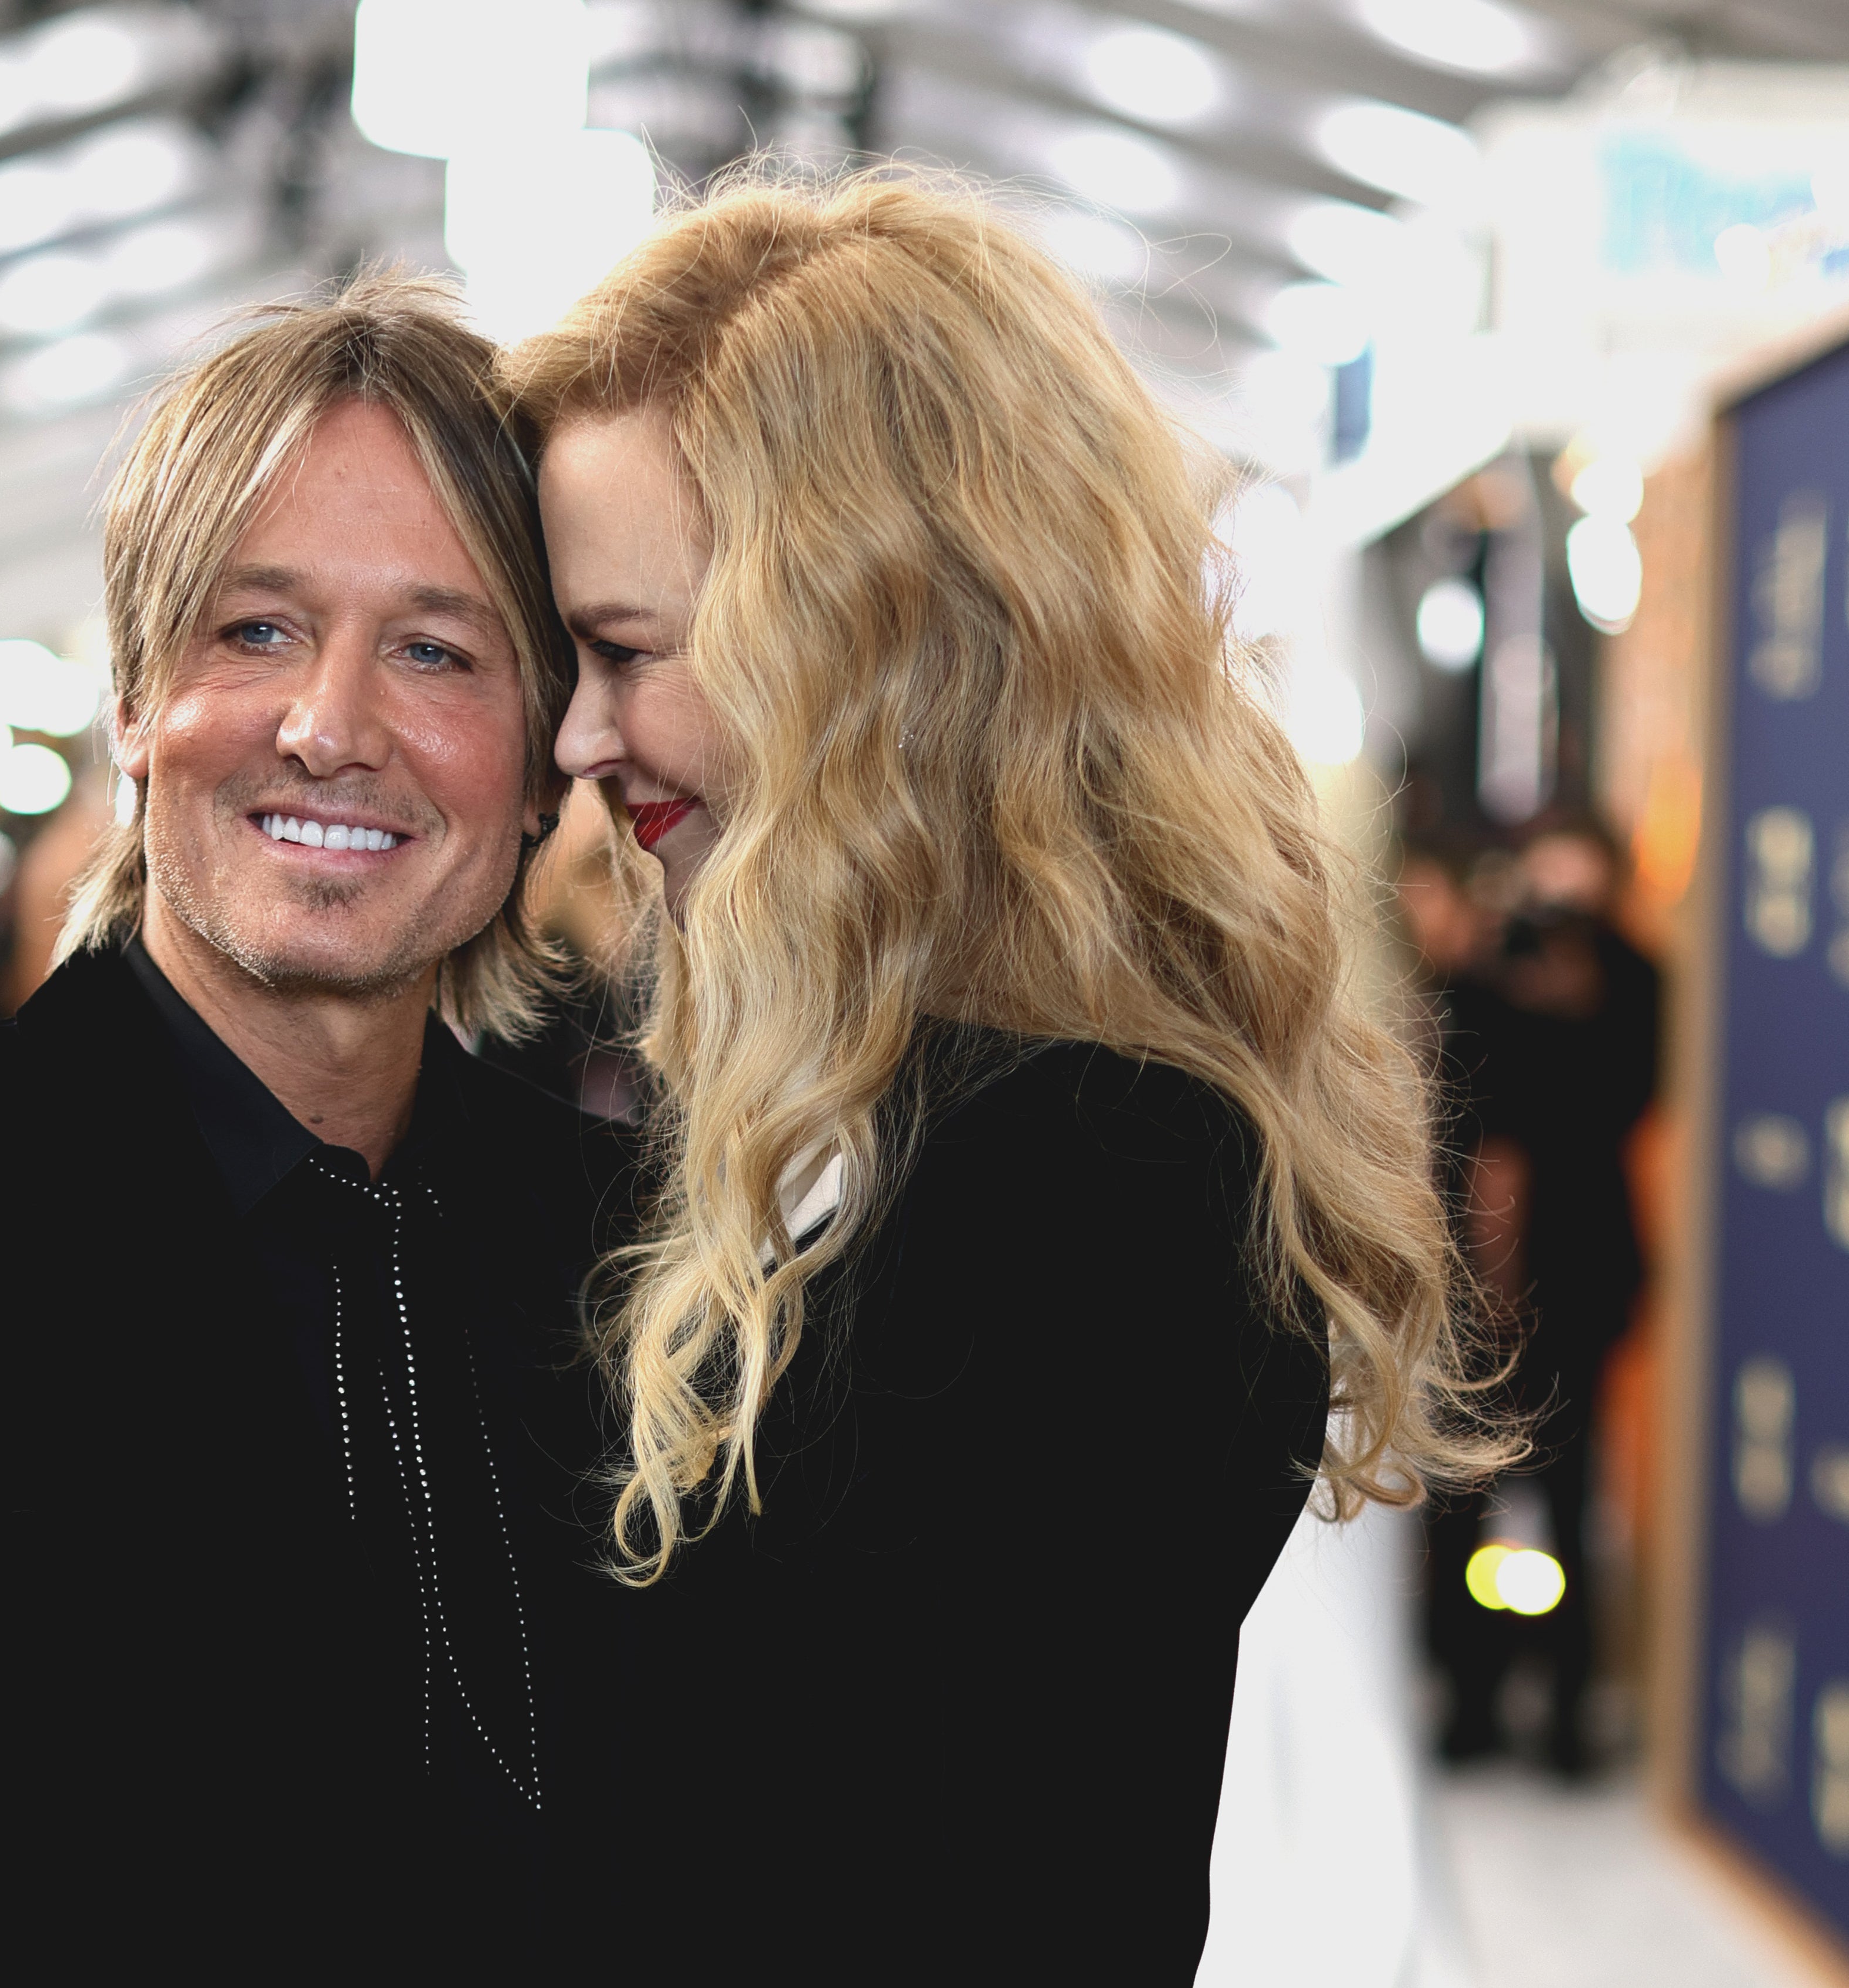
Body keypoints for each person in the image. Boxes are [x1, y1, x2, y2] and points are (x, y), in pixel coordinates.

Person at [501, 172, 1507, 1973]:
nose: (578, 736)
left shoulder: (1098, 1168)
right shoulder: (889, 1111)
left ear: (868, 645)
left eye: (627, 652)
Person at [0, 276, 624, 1976]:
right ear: (137, 704)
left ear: (546, 760)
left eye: (439, 649)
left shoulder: (623, 1247)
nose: (332, 725)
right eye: (258, 629)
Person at [1428, 820, 1658, 1772]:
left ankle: (1569, 1704)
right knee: (1460, 1489)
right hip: (1470, 1279)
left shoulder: (1631, 981)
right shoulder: (1479, 973)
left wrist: (1582, 989)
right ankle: (1468, 1696)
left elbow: (1636, 1092)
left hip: (1577, 1272)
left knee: (1570, 1491)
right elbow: (1457, 1092)